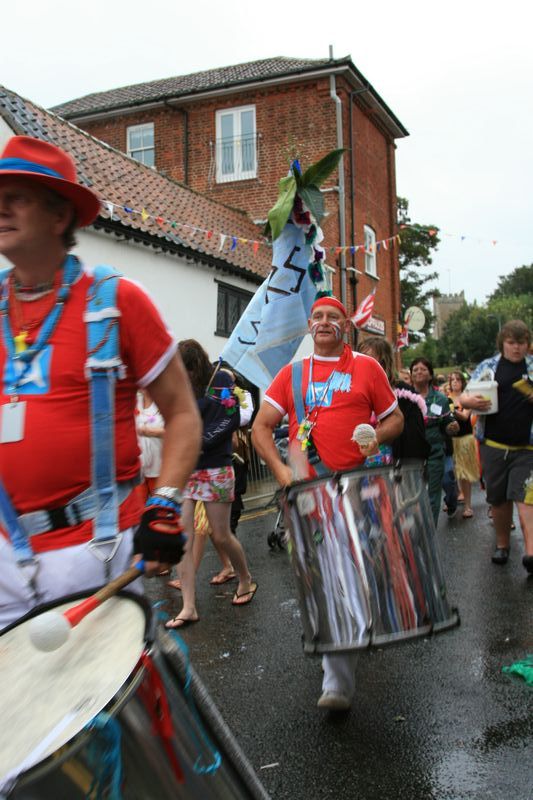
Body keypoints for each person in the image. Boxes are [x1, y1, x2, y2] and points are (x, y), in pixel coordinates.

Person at [0, 135, 201, 629]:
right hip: (4, 553)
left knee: (100, 706)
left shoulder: (117, 302)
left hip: (94, 550)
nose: (1, 210)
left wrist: (164, 504)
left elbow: (181, 413)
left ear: (58, 215)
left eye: (17, 198)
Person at [251, 296, 403, 711]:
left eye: (332, 317)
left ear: (345, 326)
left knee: (352, 574)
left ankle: (342, 663)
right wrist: (284, 475)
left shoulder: (366, 368)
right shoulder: (292, 374)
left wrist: (376, 435)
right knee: (325, 580)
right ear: (309, 327)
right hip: (308, 495)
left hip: (356, 489)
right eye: (316, 317)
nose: (323, 322)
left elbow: (395, 418)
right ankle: (337, 678)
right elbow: (260, 428)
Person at [165, 340, 257, 629]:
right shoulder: (181, 385)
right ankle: (189, 606)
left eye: (187, 370)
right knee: (184, 537)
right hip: (188, 470)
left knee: (221, 535)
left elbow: (229, 421)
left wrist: (198, 443)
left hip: (216, 468)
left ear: (196, 366)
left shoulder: (219, 379)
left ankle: (245, 578)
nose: (184, 375)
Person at [459, 320, 533, 572]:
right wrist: (472, 402)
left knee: (527, 497)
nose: (516, 348)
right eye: (511, 343)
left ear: (527, 344)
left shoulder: (532, 367)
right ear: (502, 343)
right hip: (492, 444)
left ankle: (531, 552)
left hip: (527, 448)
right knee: (498, 499)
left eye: (521, 343)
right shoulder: (489, 366)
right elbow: (463, 396)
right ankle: (503, 545)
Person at [357, 337, 430, 463]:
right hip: (360, 471)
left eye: (369, 359)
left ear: (384, 364)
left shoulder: (405, 396)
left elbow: (415, 441)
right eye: (359, 359)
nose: (362, 364)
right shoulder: (353, 394)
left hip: (398, 469)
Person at [409, 358, 459, 526]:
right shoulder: (405, 397)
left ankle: (429, 535)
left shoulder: (440, 399)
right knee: (412, 497)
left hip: (434, 455)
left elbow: (448, 425)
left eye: (423, 369)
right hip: (411, 457)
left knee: (432, 497)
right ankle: (416, 535)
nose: (418, 372)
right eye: (415, 369)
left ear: (430, 375)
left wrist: (452, 427)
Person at [447, 370, 480, 518]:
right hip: (450, 440)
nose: (455, 382)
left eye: (458, 379)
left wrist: (451, 411)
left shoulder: (467, 398)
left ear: (462, 382)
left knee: (465, 473)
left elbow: (466, 416)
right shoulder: (445, 398)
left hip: (465, 439)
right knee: (451, 473)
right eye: (452, 380)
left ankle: (468, 505)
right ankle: (452, 499)